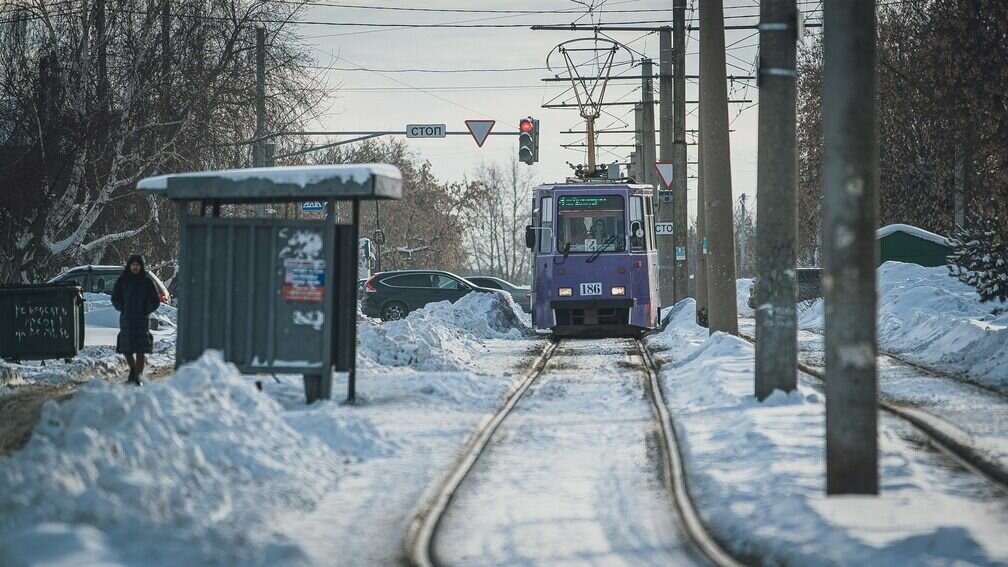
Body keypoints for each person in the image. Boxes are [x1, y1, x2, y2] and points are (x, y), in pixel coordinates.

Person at [112, 255, 160, 386]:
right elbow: (115, 298)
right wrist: (122, 307)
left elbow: (155, 300)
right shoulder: (123, 281)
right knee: (126, 348)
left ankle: (138, 377)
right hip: (126, 320)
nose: (135, 267)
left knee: (140, 349)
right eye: (133, 265)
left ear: (141, 266)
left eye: (137, 265)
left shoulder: (146, 282)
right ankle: (133, 370)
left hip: (142, 321)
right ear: (129, 266)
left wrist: (146, 310)